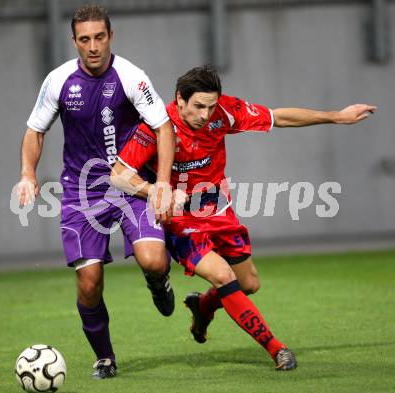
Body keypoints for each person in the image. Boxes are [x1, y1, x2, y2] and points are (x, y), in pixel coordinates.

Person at [111, 65, 376, 370]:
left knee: (247, 284)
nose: (205, 114)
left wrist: (336, 116)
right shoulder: (158, 126)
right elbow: (118, 176)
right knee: (223, 276)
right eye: (198, 106)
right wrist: (157, 193)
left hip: (218, 211)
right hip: (181, 221)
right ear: (179, 100)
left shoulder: (223, 112)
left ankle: (204, 306)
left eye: (210, 107)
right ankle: (277, 348)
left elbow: (278, 117)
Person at [16, 5, 176, 379]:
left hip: (131, 183)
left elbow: (163, 127)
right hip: (80, 194)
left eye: (99, 37)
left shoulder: (131, 76)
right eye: (84, 39)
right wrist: (27, 174)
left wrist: (163, 182)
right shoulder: (58, 81)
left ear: (110, 37)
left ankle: (158, 281)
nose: (92, 46)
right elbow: (34, 130)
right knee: (89, 283)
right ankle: (105, 357)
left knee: (153, 259)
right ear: (74, 41)